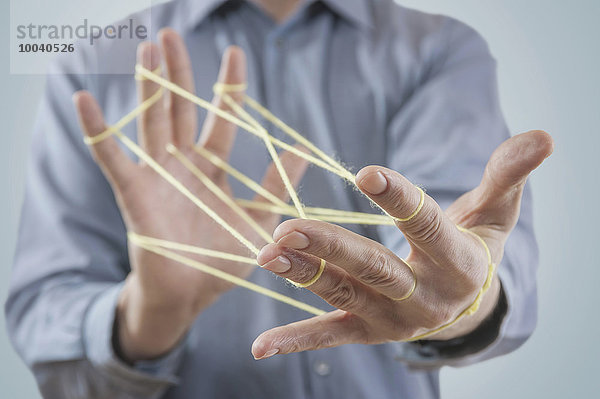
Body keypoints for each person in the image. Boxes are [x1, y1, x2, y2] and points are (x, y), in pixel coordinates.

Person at [5, 0, 553, 398]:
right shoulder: (96, 62)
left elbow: (461, 243)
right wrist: (151, 311)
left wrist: (459, 295)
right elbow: (44, 317)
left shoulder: (437, 47)